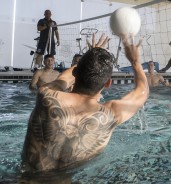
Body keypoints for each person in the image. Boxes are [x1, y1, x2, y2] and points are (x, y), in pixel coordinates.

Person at [21, 33, 149, 173]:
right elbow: (142, 93)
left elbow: (64, 79)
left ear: (75, 71)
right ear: (108, 83)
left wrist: (90, 55)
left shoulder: (47, 95)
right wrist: (136, 62)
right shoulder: (111, 114)